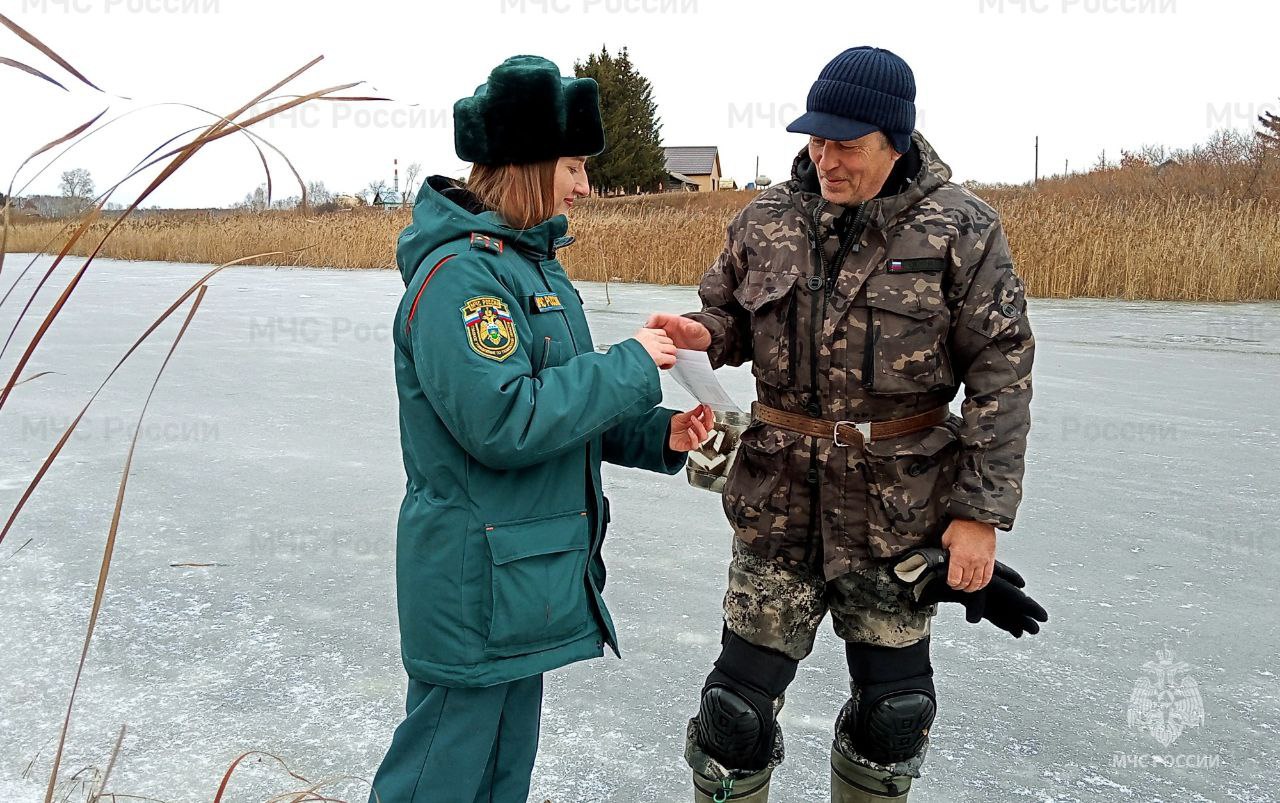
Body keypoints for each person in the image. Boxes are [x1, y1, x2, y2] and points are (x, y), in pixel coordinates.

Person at [647, 47, 1046, 802]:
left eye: (846, 144)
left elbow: (1001, 371)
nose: (825, 158)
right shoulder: (765, 218)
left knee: (893, 717)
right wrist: (703, 332)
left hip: (898, 510)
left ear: (894, 140)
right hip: (778, 501)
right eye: (815, 140)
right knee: (735, 716)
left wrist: (979, 516)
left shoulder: (960, 227)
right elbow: (727, 313)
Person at [369, 54, 716, 803]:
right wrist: (632, 363)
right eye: (572, 165)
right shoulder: (461, 278)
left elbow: (565, 406)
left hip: (523, 579)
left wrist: (660, 434)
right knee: (435, 779)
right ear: (528, 165)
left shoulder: (533, 268)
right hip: (473, 586)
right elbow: (503, 419)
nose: (585, 185)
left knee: (500, 779)